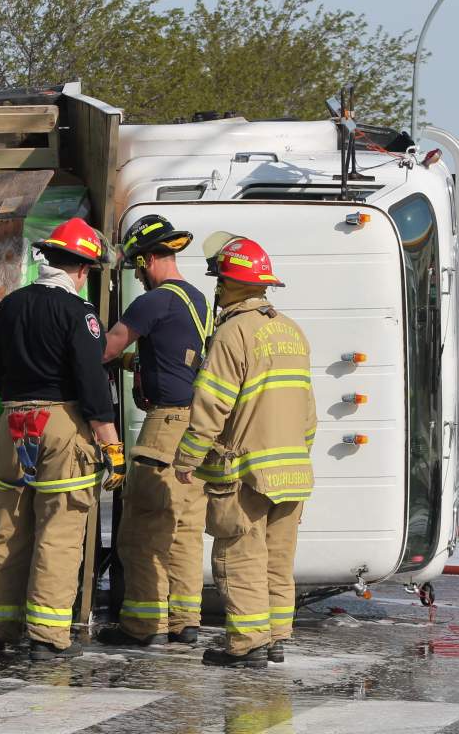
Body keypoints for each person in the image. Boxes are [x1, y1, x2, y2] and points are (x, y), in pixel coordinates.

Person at [0, 217, 125, 661]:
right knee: (58, 529)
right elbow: (92, 383)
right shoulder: (79, 313)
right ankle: (46, 635)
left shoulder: (9, 306)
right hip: (60, 424)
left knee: (8, 527)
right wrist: (110, 444)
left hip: (12, 423)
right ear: (81, 268)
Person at [172, 233, 316, 668]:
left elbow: (212, 403)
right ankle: (274, 638)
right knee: (277, 559)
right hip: (293, 471)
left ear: (230, 284)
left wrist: (187, 459)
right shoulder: (290, 330)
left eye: (219, 279)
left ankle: (247, 645)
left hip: (245, 471)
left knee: (239, 554)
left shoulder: (234, 333)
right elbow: (307, 412)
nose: (215, 287)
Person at [96, 214, 212, 647]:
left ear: (145, 261)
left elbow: (107, 346)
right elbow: (171, 359)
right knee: (183, 530)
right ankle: (186, 622)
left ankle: (143, 626)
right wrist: (134, 365)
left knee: (142, 529)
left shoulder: (153, 300)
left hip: (165, 427)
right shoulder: (196, 299)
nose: (138, 275)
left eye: (136, 266)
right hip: (197, 428)